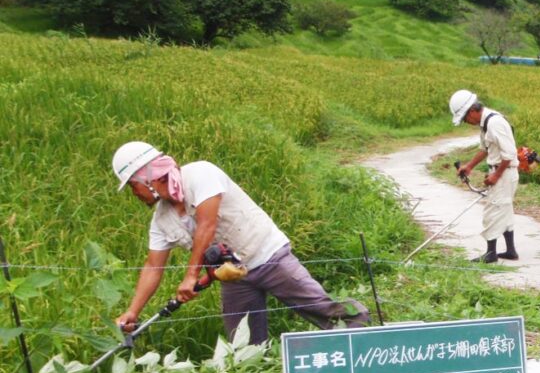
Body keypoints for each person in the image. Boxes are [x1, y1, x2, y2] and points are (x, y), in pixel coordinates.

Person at [111, 142, 369, 344]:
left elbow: (207, 224)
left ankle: (369, 337)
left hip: (268, 255)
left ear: (148, 178)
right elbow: (152, 267)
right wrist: (133, 311)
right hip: (234, 276)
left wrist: (191, 276)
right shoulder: (161, 220)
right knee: (244, 346)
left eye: (133, 186)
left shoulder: (200, 173)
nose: (134, 194)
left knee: (322, 308)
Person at [448, 90, 519, 263]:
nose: (467, 122)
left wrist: (496, 176)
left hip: (504, 172)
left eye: (465, 118)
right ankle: (510, 251)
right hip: (502, 172)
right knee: (504, 210)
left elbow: (509, 153)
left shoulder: (494, 123)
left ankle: (490, 254)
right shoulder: (486, 122)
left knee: (492, 211)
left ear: (472, 111)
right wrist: (469, 166)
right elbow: (484, 149)